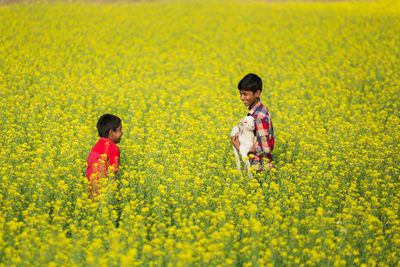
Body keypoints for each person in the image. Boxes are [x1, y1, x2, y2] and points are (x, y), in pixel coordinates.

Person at [231, 73, 274, 172]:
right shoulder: (257, 112)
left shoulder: (259, 117)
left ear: (257, 93)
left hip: (260, 168)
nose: (242, 98)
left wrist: (241, 147)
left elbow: (266, 148)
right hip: (255, 167)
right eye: (240, 94)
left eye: (245, 94)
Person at [86, 114, 123, 198]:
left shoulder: (96, 145)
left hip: (90, 190)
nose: (121, 133)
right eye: (119, 130)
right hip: (103, 192)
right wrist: (116, 197)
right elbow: (113, 175)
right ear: (111, 132)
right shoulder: (113, 148)